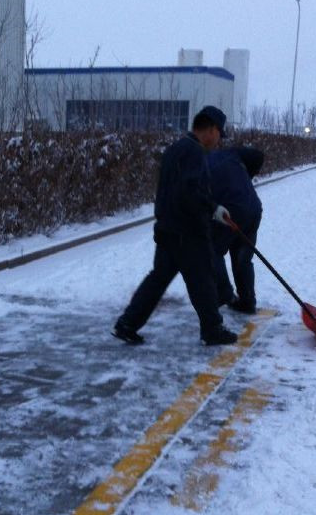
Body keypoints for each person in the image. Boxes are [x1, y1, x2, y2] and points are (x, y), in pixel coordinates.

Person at [113, 106, 238, 346]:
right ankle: (212, 329)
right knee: (203, 280)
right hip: (187, 231)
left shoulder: (176, 149)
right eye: (220, 133)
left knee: (157, 280)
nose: (220, 140)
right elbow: (190, 192)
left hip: (168, 228)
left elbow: (178, 188)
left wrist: (212, 207)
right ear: (211, 129)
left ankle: (127, 323)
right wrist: (211, 210)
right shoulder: (194, 153)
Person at [208, 144, 264, 314]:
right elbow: (258, 155)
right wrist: (245, 178)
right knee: (243, 258)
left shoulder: (201, 163)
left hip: (230, 211)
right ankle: (247, 301)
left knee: (212, 250)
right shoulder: (232, 153)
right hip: (253, 208)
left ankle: (223, 292)